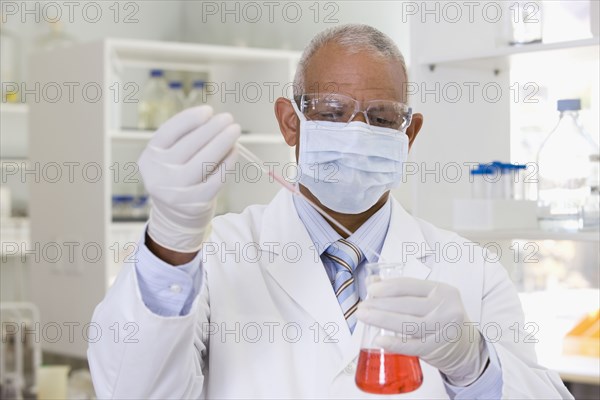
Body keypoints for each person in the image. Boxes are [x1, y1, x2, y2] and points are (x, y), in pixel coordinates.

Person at [88, 24, 572, 399]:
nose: (356, 132)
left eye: (381, 118)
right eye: (330, 112)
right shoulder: (215, 255)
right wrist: (172, 237)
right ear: (288, 122)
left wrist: (475, 364)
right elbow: (132, 389)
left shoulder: (472, 270)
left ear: (410, 133)